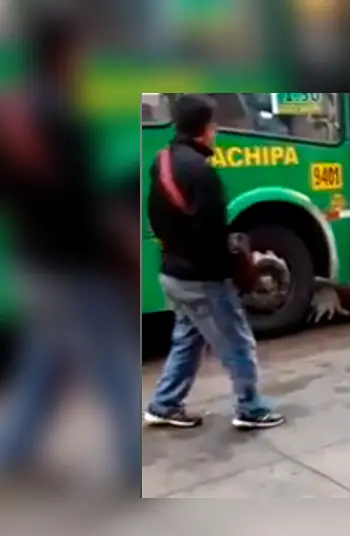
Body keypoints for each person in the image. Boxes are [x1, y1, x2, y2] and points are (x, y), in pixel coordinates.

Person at [0, 12, 139, 490]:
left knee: (44, 366)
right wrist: (121, 257)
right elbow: (81, 203)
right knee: (114, 366)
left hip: (32, 263)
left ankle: (10, 450)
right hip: (73, 269)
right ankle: (133, 466)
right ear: (65, 55)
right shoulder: (62, 115)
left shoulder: (13, 113)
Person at [144, 94, 285, 430]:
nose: (216, 131)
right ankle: (250, 408)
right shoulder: (202, 174)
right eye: (214, 125)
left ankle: (164, 404)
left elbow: (155, 216)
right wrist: (234, 274)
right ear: (206, 130)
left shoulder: (162, 160)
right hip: (202, 278)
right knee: (237, 340)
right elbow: (212, 234)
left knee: (188, 338)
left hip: (173, 273)